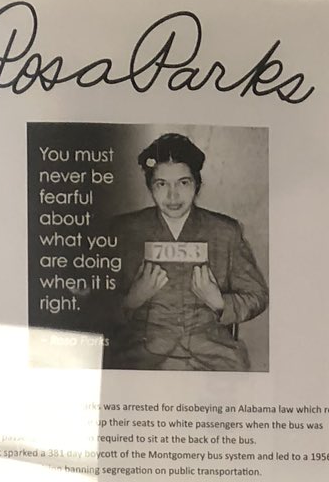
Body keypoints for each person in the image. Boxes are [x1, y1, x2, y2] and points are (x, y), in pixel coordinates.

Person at [106, 133, 269, 373]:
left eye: (183, 183)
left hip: (213, 356)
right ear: (150, 186)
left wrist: (220, 302)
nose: (173, 196)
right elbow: (91, 303)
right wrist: (131, 300)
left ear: (197, 184)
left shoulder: (225, 232)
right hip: (139, 356)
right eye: (162, 184)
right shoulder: (124, 231)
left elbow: (257, 295)